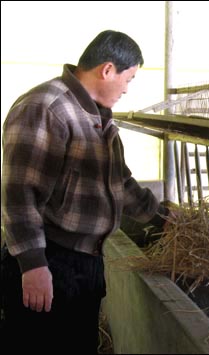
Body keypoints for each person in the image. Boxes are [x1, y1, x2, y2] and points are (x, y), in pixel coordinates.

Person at [1, 30, 172, 354]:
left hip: (84, 263)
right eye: (129, 78)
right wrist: (33, 265)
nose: (127, 89)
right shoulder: (46, 107)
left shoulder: (97, 120)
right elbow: (20, 194)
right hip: (49, 260)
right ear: (108, 70)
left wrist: (163, 218)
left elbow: (120, 184)